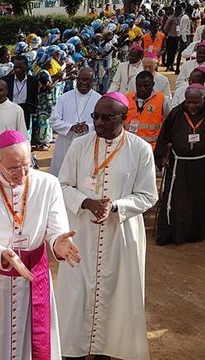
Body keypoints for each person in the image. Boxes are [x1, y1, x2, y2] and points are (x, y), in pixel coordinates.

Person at [0, 130, 81, 360]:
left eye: (26, 165)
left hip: (35, 277)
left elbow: (56, 228)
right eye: (13, 168)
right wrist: (2, 253)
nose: (22, 173)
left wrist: (58, 243)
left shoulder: (48, 184)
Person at [56, 92, 158, 360]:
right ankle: (72, 351)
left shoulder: (140, 149)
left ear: (123, 118)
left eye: (106, 118)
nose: (98, 123)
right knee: (76, 296)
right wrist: (86, 201)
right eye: (95, 116)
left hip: (120, 236)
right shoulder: (79, 146)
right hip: (82, 234)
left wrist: (115, 207)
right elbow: (62, 185)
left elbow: (149, 195)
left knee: (116, 296)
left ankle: (107, 350)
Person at [155, 83, 205, 245]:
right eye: (189, 102)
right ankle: (171, 233)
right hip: (178, 164)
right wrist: (163, 156)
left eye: (196, 103)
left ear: (203, 99)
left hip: (201, 165)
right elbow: (164, 137)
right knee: (176, 200)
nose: (191, 106)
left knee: (198, 199)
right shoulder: (176, 113)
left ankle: (196, 233)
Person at [49, 68, 102, 176]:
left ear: (92, 81)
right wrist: (71, 127)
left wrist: (88, 127)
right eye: (81, 79)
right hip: (65, 143)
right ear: (76, 80)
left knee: (84, 176)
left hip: (88, 144)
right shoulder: (64, 97)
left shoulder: (99, 100)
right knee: (63, 174)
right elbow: (53, 120)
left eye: (87, 79)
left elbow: (103, 123)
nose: (84, 82)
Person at [124, 71, 171, 149]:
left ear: (153, 84)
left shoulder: (162, 100)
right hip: (129, 147)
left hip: (151, 149)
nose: (142, 89)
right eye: (139, 86)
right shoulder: (126, 99)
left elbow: (170, 122)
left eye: (146, 86)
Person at [1, 55, 39, 131]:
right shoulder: (6, 80)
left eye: (20, 67)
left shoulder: (33, 81)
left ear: (26, 67)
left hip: (25, 113)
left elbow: (35, 98)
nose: (17, 70)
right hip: (8, 112)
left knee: (23, 138)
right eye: (15, 67)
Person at [163, 6, 182, 72]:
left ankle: (171, 65)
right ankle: (168, 66)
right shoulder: (171, 18)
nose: (181, 12)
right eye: (180, 10)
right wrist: (168, 34)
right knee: (169, 52)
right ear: (177, 10)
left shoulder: (179, 18)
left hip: (176, 38)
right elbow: (165, 28)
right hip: (170, 37)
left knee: (174, 52)